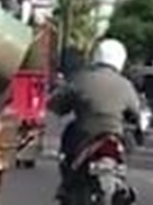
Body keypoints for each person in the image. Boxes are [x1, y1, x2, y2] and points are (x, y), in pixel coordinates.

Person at [50, 38, 145, 176]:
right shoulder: (126, 85)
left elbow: (58, 103)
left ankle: (68, 179)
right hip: (115, 136)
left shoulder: (82, 78)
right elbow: (136, 113)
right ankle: (121, 173)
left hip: (84, 134)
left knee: (69, 133)